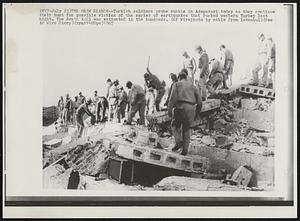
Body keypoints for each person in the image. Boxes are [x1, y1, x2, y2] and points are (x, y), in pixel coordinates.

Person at [167, 71, 202, 156]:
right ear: (186, 77)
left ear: (179, 77)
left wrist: (169, 110)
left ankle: (179, 142)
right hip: (191, 109)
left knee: (175, 125)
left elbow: (172, 98)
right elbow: (200, 102)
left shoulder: (177, 84)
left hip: (180, 107)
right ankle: (185, 150)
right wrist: (197, 113)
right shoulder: (193, 86)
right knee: (186, 129)